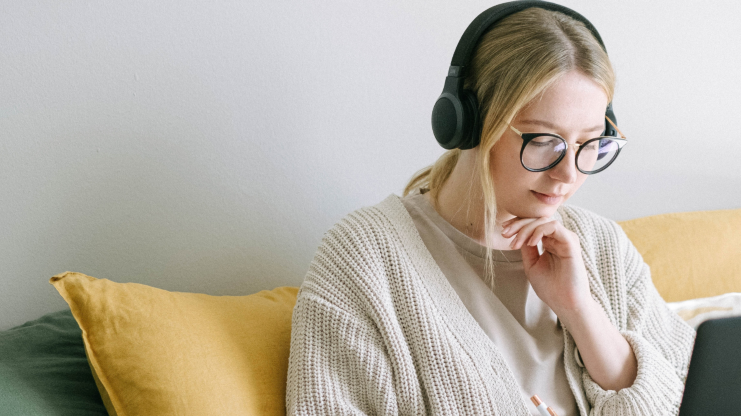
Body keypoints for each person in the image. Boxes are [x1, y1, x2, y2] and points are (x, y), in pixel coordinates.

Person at [286, 2, 695, 415]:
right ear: (470, 123)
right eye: (543, 140)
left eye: (589, 143)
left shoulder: (603, 247)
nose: (568, 175)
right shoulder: (364, 260)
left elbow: (697, 397)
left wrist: (581, 312)